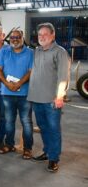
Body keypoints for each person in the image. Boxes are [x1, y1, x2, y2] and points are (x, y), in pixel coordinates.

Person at [27, 23, 70, 173]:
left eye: (45, 34)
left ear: (53, 35)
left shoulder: (60, 52)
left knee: (53, 130)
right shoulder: (37, 51)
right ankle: (47, 152)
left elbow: (63, 77)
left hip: (51, 100)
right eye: (40, 35)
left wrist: (59, 97)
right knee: (44, 128)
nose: (42, 37)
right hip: (36, 98)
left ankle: (54, 158)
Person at [0, 30, 34, 158]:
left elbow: (30, 71)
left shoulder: (30, 53)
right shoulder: (4, 51)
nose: (15, 39)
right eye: (12, 37)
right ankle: (9, 145)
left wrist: (19, 83)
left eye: (17, 37)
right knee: (9, 121)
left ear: (23, 38)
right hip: (7, 93)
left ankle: (27, 148)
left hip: (25, 94)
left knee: (26, 122)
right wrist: (6, 83)